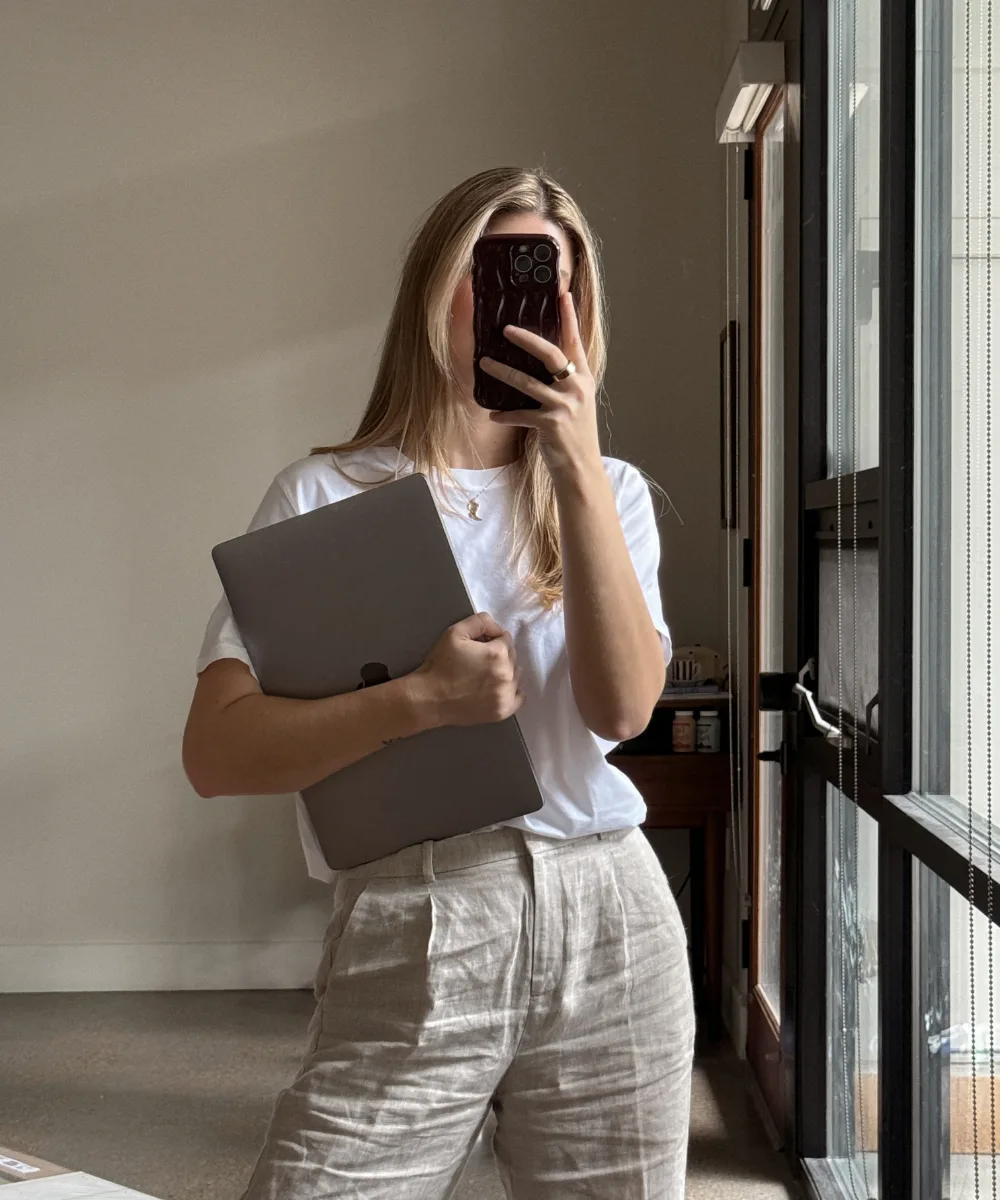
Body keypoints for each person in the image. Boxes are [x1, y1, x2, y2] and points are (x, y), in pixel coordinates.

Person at [182, 165, 695, 1199]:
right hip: (418, 911)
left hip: (612, 913)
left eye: (553, 282)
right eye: (494, 271)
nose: (525, 306)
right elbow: (216, 752)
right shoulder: (327, 493)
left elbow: (622, 709)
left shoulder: (614, 494)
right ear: (435, 293)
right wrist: (415, 701)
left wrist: (578, 467)